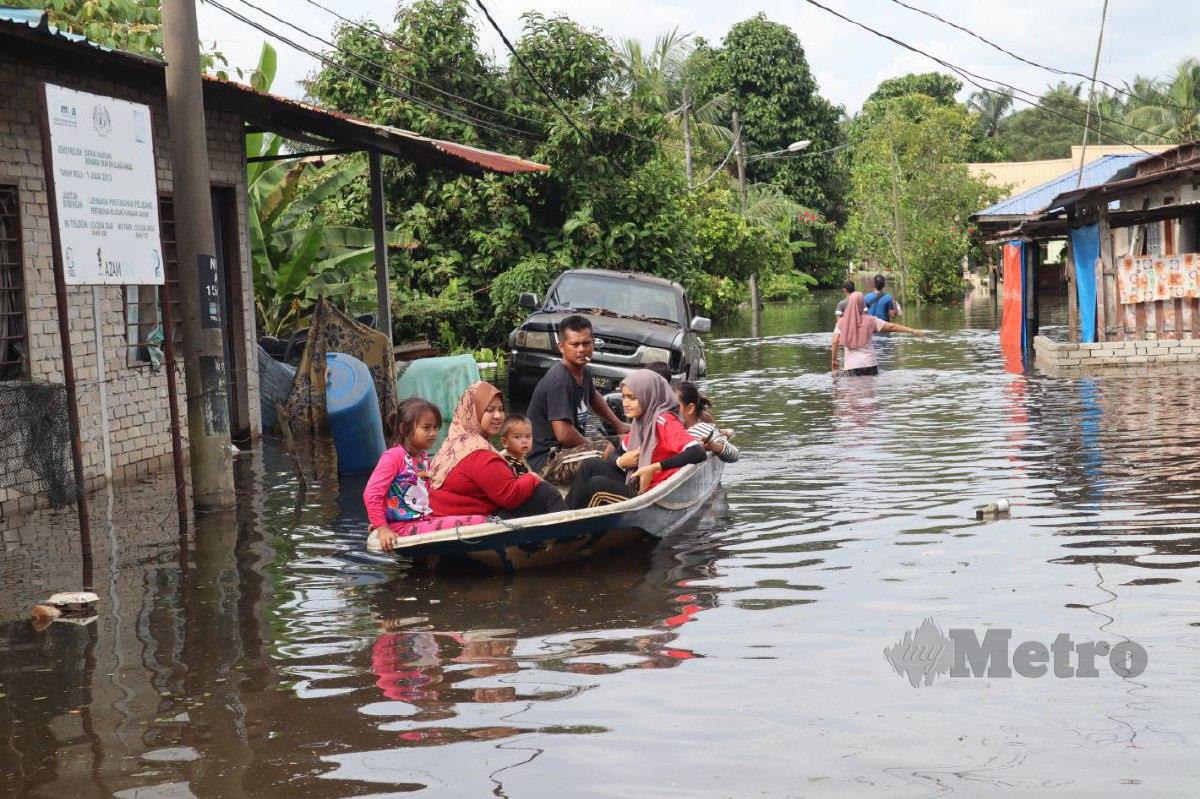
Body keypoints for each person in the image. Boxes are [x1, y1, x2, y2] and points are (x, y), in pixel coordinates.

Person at [566, 370, 705, 509]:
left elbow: (698, 452)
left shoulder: (664, 421)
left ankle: (571, 528)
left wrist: (653, 468)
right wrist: (621, 461)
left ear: (648, 396)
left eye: (632, 398)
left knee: (596, 485)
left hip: (651, 493)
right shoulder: (641, 422)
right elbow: (616, 454)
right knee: (590, 465)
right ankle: (561, 513)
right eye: (624, 397)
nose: (625, 403)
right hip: (635, 481)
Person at [363, 398, 486, 551]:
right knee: (477, 521)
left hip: (422, 520)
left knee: (478, 516)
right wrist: (382, 527)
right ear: (403, 428)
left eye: (435, 427)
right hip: (403, 527)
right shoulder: (393, 457)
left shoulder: (422, 457)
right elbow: (372, 493)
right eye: (426, 428)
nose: (433, 433)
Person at [429, 382, 566, 519]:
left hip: (448, 514)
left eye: (501, 409)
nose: (498, 416)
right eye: (489, 410)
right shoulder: (478, 453)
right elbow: (510, 496)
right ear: (472, 413)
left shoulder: (455, 441)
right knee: (546, 492)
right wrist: (532, 478)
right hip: (469, 524)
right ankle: (569, 538)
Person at [527, 315, 630, 481]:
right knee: (605, 448)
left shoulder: (583, 370)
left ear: (593, 343)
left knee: (626, 439)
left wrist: (619, 426)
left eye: (586, 343)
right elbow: (564, 435)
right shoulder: (560, 380)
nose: (581, 349)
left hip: (567, 450)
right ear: (561, 346)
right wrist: (592, 445)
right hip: (548, 459)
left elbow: (594, 397)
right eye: (575, 344)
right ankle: (622, 488)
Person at [832, 292, 925, 376]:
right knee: (870, 392)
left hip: (851, 366)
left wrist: (834, 360)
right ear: (861, 304)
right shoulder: (870, 320)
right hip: (870, 364)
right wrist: (912, 331)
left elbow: (835, 342)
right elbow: (891, 327)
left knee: (853, 393)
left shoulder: (841, 322)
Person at [674, 381, 739, 463]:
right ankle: (724, 432)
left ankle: (724, 433)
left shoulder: (702, 431)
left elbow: (735, 454)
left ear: (690, 408)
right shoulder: (667, 428)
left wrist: (715, 446)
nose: (668, 411)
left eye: (674, 407)